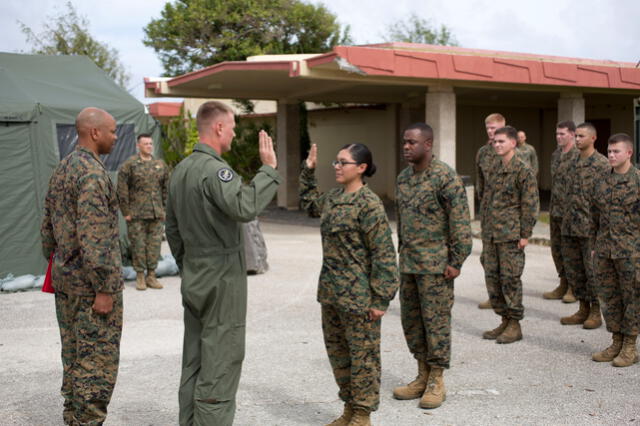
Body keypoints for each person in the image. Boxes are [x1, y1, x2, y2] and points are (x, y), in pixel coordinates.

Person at [165, 101, 281, 426]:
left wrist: (189, 265)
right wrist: (268, 169)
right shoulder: (216, 170)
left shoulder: (181, 170)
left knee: (195, 361)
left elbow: (172, 229)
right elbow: (244, 207)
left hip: (195, 274)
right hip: (222, 278)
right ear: (218, 128)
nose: (232, 134)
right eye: (231, 127)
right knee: (221, 362)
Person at [300, 143, 399, 426]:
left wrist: (380, 299)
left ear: (361, 168)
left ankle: (362, 415)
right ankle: (349, 408)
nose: (337, 166)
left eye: (343, 162)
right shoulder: (332, 198)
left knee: (363, 358)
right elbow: (309, 205)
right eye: (336, 161)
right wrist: (308, 170)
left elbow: (384, 255)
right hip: (331, 294)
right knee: (339, 356)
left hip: (359, 297)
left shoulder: (369, 204)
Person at [40, 107, 123, 425]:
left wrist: (61, 262)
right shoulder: (91, 174)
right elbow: (95, 236)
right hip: (91, 290)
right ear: (95, 132)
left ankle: (73, 418)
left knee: (74, 355)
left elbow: (46, 228)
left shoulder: (63, 168)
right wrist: (103, 287)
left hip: (67, 283)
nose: (116, 137)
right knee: (96, 362)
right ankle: (87, 421)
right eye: (113, 131)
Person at [392, 123, 472, 409]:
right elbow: (402, 223)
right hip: (410, 264)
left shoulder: (445, 178)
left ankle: (437, 379)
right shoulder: (403, 178)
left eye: (412, 142)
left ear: (428, 144)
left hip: (437, 267)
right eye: (404, 142)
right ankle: (422, 375)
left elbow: (460, 222)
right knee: (412, 323)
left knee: (435, 323)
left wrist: (457, 260)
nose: (406, 147)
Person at [480, 126, 539, 344]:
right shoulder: (493, 167)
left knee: (510, 279)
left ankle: (515, 324)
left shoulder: (523, 170)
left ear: (513, 143)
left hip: (511, 235)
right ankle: (504, 319)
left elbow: (530, 204)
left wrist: (525, 234)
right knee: (492, 279)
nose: (496, 145)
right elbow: (487, 200)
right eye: (495, 142)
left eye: (501, 141)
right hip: (491, 234)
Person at [591, 133, 640, 367]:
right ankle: (616, 341)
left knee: (632, 298)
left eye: (616, 151)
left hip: (632, 251)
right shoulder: (601, 181)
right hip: (604, 250)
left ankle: (630, 347)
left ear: (628, 153)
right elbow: (594, 216)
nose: (611, 155)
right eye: (609, 151)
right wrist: (595, 246)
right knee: (609, 298)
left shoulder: (638, 181)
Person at [560, 122, 609, 329]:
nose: (577, 139)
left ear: (593, 138)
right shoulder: (569, 161)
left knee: (593, 272)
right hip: (570, 226)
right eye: (576, 136)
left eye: (581, 136)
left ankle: (596, 311)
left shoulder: (603, 165)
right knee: (574, 270)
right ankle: (583, 308)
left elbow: (607, 201)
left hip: (590, 229)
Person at [117, 133, 169, 291]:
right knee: (138, 246)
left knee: (154, 246)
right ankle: (140, 276)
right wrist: (126, 211)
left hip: (156, 213)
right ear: (138, 145)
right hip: (136, 214)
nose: (149, 146)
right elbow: (122, 189)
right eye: (145, 143)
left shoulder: (160, 164)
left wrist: (165, 209)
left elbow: (166, 188)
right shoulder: (130, 164)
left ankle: (151, 276)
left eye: (151, 143)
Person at [543, 121, 578, 303]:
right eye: (557, 134)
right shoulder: (555, 155)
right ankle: (563, 283)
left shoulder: (578, 156)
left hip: (571, 212)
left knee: (570, 251)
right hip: (555, 210)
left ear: (572, 134)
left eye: (563, 134)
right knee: (556, 249)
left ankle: (574, 287)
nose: (559, 137)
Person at [475, 113, 506, 310]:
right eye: (488, 128)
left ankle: (506, 297)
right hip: (488, 214)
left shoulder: (511, 152)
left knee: (505, 260)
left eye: (494, 128)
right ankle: (493, 295)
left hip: (506, 217)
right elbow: (480, 183)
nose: (491, 131)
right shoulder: (482, 153)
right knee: (487, 257)